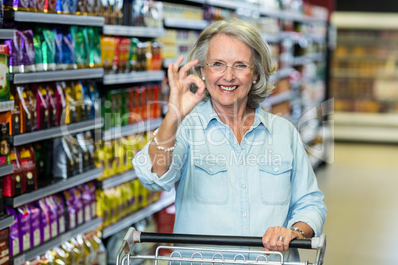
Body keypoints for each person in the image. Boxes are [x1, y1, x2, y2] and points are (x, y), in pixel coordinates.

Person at [132, 18, 327, 262]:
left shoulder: (283, 133)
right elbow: (153, 177)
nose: (228, 76)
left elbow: (310, 203)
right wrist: (173, 115)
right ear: (203, 71)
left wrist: (294, 232)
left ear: (255, 73)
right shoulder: (185, 129)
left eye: (240, 66)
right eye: (218, 64)